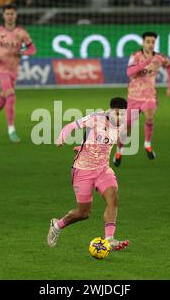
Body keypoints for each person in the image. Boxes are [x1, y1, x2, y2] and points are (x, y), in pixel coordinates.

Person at [47, 97, 130, 251]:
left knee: (113, 198)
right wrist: (61, 137)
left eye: (123, 115)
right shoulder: (96, 118)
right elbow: (70, 126)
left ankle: (109, 238)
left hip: (103, 170)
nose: (120, 118)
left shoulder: (122, 124)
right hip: (83, 170)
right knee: (83, 213)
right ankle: (57, 225)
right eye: (117, 114)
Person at [113, 31, 170, 167]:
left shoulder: (159, 58)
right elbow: (129, 72)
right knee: (126, 128)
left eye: (153, 42)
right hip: (133, 97)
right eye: (148, 42)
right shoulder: (135, 56)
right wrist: (144, 64)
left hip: (149, 96)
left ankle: (147, 144)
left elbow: (169, 66)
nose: (150, 44)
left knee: (150, 116)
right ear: (143, 43)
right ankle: (119, 151)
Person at [0, 3, 36, 143]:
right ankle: (11, 129)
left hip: (14, 69)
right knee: (11, 95)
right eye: (7, 14)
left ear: (15, 15)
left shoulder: (21, 33)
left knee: (4, 96)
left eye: (12, 13)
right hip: (0, 68)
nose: (10, 16)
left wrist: (22, 52)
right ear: (3, 15)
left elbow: (32, 49)